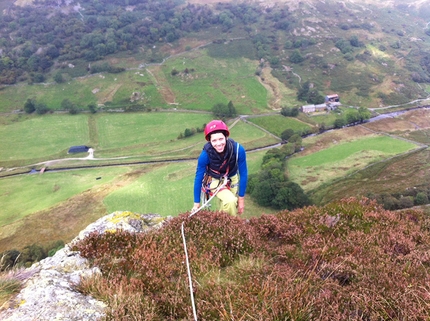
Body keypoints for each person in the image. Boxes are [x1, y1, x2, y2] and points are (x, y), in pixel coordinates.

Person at [192, 120, 248, 216]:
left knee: (230, 204)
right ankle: (228, 226)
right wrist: (196, 203)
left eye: (221, 139)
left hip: (233, 179)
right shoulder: (205, 156)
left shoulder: (238, 150)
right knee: (230, 201)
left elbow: (243, 174)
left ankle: (220, 224)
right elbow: (198, 178)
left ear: (226, 137)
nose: (218, 144)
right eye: (214, 140)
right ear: (209, 141)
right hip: (214, 179)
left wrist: (241, 199)